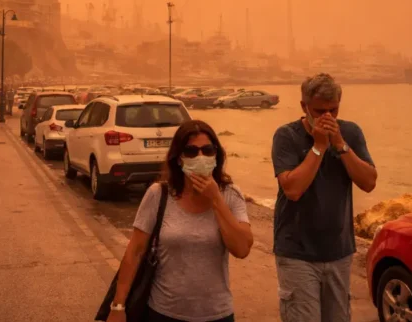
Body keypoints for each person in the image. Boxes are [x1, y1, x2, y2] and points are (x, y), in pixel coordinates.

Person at [109, 120, 253, 322]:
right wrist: (118, 306)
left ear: (216, 155)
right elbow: (135, 251)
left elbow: (242, 249)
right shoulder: (158, 195)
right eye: (191, 151)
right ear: (179, 158)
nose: (200, 157)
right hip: (163, 312)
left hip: (217, 314)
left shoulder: (230, 194)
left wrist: (215, 199)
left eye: (207, 150)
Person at [270, 73, 377, 322]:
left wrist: (339, 144)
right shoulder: (286, 136)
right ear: (303, 106)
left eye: (334, 110)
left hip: (339, 251)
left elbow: (369, 182)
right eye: (319, 111)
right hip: (297, 253)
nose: (327, 117)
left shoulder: (350, 133)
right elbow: (293, 189)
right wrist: (319, 146)